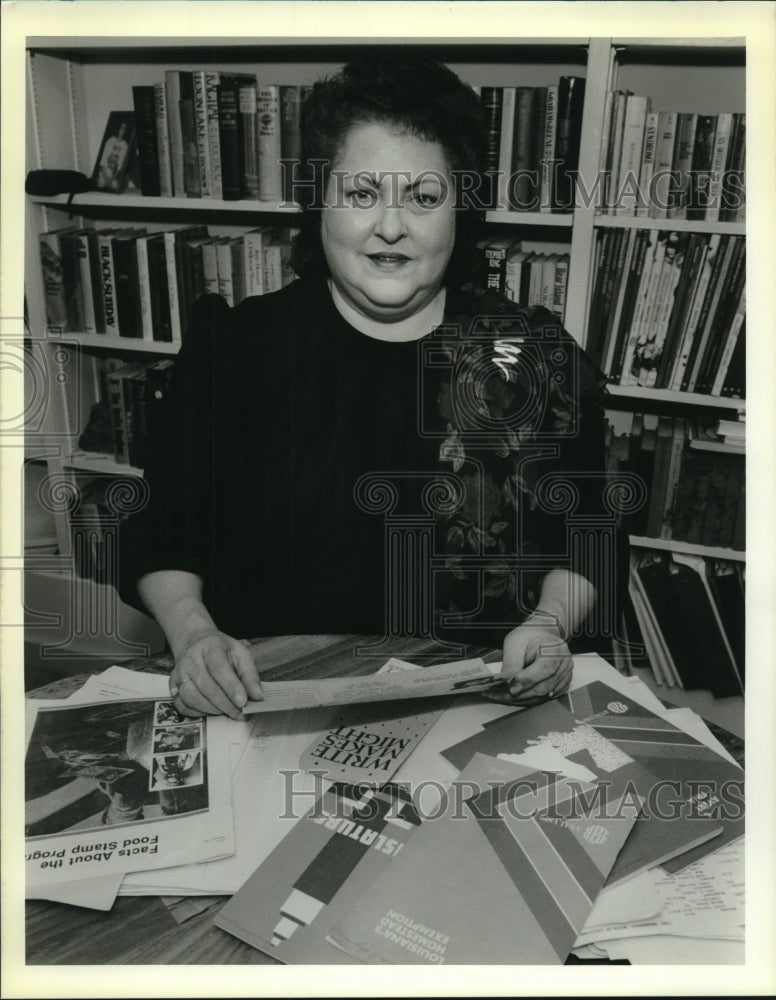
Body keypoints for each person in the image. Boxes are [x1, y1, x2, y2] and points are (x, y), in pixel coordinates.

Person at [119, 52, 625, 720]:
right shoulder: (236, 349)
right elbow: (163, 528)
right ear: (319, 201)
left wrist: (551, 625)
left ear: (460, 209)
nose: (391, 226)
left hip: (478, 707)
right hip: (263, 702)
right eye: (361, 194)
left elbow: (592, 531)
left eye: (423, 197)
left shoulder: (533, 357)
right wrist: (194, 636)